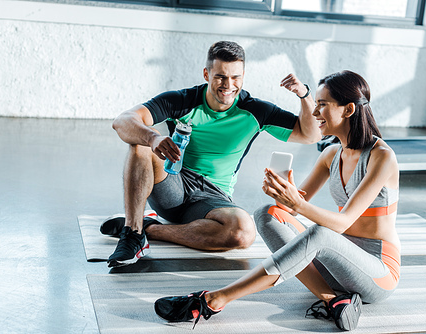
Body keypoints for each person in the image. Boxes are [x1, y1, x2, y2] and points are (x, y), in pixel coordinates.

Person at [154, 70, 401, 331]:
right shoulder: (331, 155)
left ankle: (215, 299)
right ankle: (333, 300)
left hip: (377, 273)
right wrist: (283, 194)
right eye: (316, 105)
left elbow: (342, 223)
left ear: (349, 109)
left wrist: (298, 203)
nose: (315, 113)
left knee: (321, 233)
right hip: (335, 268)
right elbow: (287, 213)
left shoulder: (382, 157)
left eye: (322, 105)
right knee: (265, 213)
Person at [102, 41, 321, 267]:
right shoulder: (182, 101)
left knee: (243, 232)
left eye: (235, 77)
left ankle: (149, 229)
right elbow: (122, 121)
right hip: (172, 184)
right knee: (140, 143)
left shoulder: (256, 111)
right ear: (207, 74)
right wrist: (152, 137)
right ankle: (132, 232)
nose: (228, 85)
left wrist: (304, 95)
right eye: (220, 77)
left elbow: (310, 135)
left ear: (243, 76)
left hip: (212, 199)